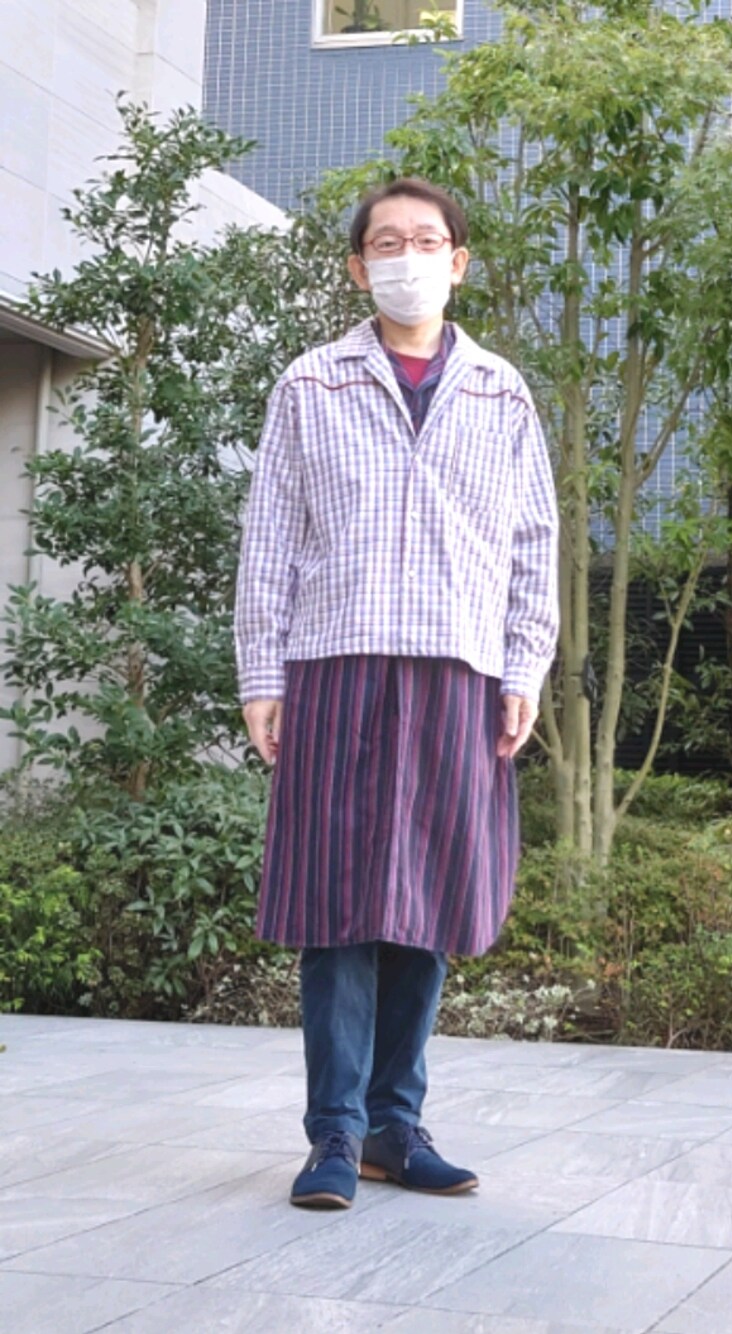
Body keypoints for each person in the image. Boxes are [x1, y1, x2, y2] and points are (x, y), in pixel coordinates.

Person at [235, 178, 559, 1210]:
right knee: (336, 901)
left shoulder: (501, 392)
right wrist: (260, 673)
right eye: (386, 242)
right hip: (334, 665)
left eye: (425, 240)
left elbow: (533, 542)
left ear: (458, 261)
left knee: (429, 899)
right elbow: (271, 536)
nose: (405, 256)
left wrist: (524, 665)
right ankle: (333, 1133)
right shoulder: (311, 384)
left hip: (459, 670)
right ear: (357, 265)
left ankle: (394, 1124)